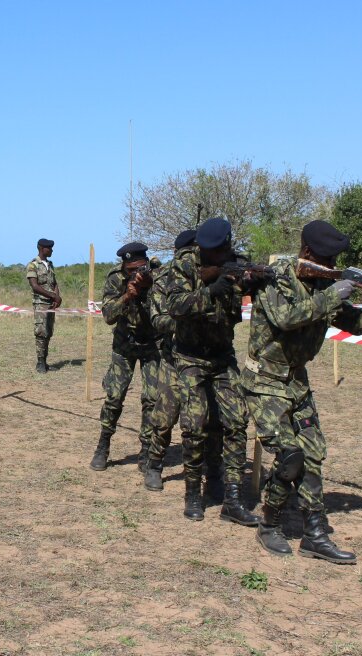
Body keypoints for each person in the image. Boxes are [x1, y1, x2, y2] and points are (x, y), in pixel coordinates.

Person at [246, 220, 362, 564]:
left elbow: (353, 323)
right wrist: (334, 293)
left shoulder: (321, 282)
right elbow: (286, 318)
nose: (332, 268)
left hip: (296, 382)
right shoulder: (275, 276)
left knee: (313, 454)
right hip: (265, 382)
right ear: (307, 253)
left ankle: (315, 535)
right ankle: (269, 523)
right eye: (327, 260)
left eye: (334, 263)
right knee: (290, 457)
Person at [166, 217, 260, 525]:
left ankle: (232, 496)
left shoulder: (240, 262)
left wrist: (251, 285)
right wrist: (212, 289)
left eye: (216, 253)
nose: (211, 258)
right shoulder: (184, 263)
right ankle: (194, 492)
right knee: (195, 425)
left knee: (236, 421)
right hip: (190, 356)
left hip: (222, 356)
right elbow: (175, 306)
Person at [89, 243, 159, 472]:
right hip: (124, 345)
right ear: (124, 267)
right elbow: (108, 315)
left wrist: (148, 291)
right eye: (131, 270)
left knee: (152, 399)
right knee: (114, 397)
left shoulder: (158, 276)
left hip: (152, 346)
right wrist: (127, 297)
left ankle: (147, 449)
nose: (136, 273)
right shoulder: (114, 279)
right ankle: (103, 444)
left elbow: (167, 310)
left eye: (140, 268)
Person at [143, 229, 195, 491]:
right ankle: (154, 464)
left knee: (198, 422)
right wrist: (186, 320)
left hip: (201, 361)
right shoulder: (164, 278)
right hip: (173, 359)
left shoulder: (207, 276)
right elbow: (157, 320)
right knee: (165, 418)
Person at [26, 238, 61, 373]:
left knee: (48, 332)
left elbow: (54, 283)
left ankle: (45, 362)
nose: (51, 250)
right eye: (49, 248)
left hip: (51, 304)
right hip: (40, 303)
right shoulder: (33, 265)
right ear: (42, 249)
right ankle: (40, 363)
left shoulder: (50, 264)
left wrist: (57, 297)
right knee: (41, 333)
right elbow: (34, 286)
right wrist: (52, 295)